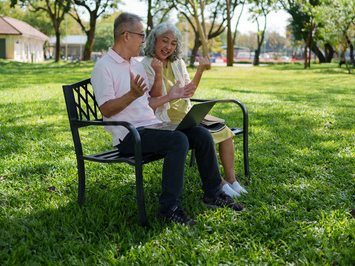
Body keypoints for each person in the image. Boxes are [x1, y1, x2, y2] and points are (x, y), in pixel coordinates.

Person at [91, 13, 244, 226]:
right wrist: (131, 96)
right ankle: (169, 207)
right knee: (178, 140)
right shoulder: (103, 67)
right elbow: (106, 110)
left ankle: (213, 192)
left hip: (152, 126)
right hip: (129, 135)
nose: (144, 40)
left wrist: (167, 93)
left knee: (200, 133)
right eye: (141, 35)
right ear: (126, 35)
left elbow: (150, 102)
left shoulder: (135, 65)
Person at [141, 22, 248, 198]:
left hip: (187, 114)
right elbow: (155, 100)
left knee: (226, 133)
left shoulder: (177, 63)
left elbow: (189, 91)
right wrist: (158, 72)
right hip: (166, 119)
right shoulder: (146, 64)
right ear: (154, 40)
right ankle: (219, 184)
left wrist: (200, 71)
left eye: (173, 43)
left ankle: (232, 180)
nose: (168, 47)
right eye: (164, 41)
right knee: (206, 137)